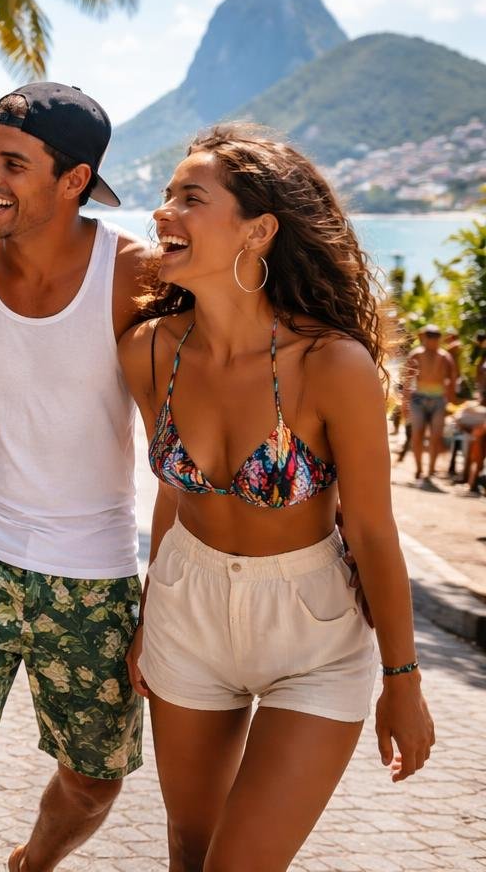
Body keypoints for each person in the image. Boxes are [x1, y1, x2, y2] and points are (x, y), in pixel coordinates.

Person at [120, 125, 435, 870]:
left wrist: (403, 679)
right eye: (166, 195)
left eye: (190, 198)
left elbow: (373, 531)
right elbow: (172, 494)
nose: (164, 212)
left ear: (258, 230)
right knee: (190, 853)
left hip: (312, 633)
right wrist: (150, 614)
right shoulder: (150, 349)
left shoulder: (332, 363)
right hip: (187, 612)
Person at [0, 83, 152, 872]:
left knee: (96, 779)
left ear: (74, 180)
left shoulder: (132, 273)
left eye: (13, 163)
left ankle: (33, 862)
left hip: (93, 565)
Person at [402, 325, 456, 483]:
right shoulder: (416, 354)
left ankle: (431, 470)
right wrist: (405, 402)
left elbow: (452, 379)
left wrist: (450, 403)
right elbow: (407, 380)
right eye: (430, 335)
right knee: (417, 433)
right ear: (424, 337)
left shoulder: (445, 357)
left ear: (439, 338)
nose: (432, 339)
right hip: (418, 399)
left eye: (435, 335)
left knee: (436, 436)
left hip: (438, 400)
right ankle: (419, 468)